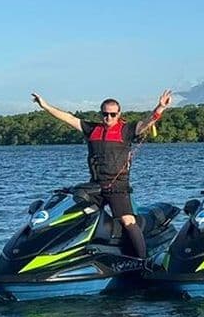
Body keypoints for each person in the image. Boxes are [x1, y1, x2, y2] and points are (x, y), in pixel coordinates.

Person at [31, 89, 172, 259]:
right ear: (101, 114)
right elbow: (68, 118)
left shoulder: (126, 130)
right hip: (95, 185)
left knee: (127, 221)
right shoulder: (92, 129)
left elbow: (148, 122)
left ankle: (142, 260)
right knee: (76, 214)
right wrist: (45, 106)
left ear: (119, 114)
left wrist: (160, 107)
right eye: (105, 114)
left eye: (113, 114)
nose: (109, 118)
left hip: (117, 186)